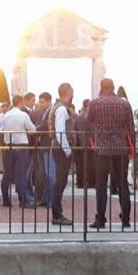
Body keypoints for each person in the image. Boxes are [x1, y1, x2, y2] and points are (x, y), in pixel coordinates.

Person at [88, 79, 135, 229]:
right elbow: (131, 127)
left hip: (102, 147)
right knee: (122, 184)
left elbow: (89, 121)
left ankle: (100, 218)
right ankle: (126, 218)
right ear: (114, 88)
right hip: (120, 147)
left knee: (101, 185)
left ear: (101, 88)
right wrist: (131, 147)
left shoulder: (95, 103)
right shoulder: (124, 104)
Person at [1, 95, 37, 207]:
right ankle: (23, 200)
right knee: (21, 174)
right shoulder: (23, 115)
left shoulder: (6, 115)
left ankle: (6, 199)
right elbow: (32, 129)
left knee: (7, 174)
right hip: (21, 146)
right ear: (21, 102)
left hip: (9, 146)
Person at [49, 83, 76, 225]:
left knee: (61, 181)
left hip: (58, 148)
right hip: (61, 150)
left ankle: (57, 213)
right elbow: (60, 131)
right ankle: (57, 214)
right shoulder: (62, 109)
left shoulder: (58, 107)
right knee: (60, 181)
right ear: (69, 92)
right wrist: (67, 150)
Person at [31, 91, 54, 207]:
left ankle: (50, 199)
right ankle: (46, 198)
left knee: (49, 174)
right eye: (39, 102)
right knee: (44, 173)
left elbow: (44, 125)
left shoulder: (50, 112)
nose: (40, 104)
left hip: (48, 145)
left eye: (42, 102)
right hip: (42, 145)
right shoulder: (44, 112)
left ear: (49, 101)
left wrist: (35, 128)